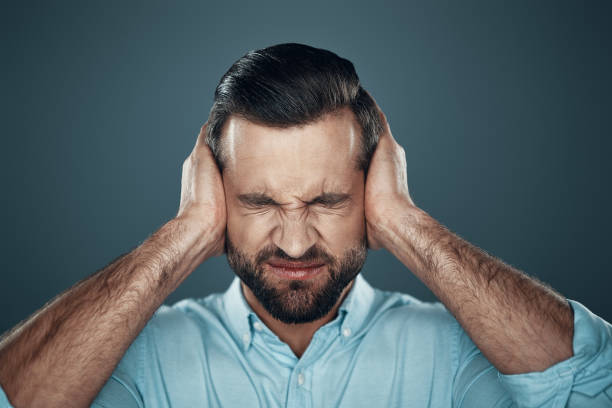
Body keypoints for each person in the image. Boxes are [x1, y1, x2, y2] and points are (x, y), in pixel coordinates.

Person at [0, 43, 610, 408]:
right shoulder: (135, 356)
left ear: (372, 190)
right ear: (216, 194)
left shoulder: (456, 351)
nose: (294, 243)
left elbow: (594, 391)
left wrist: (403, 222)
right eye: (260, 203)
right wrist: (183, 234)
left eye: (327, 201)